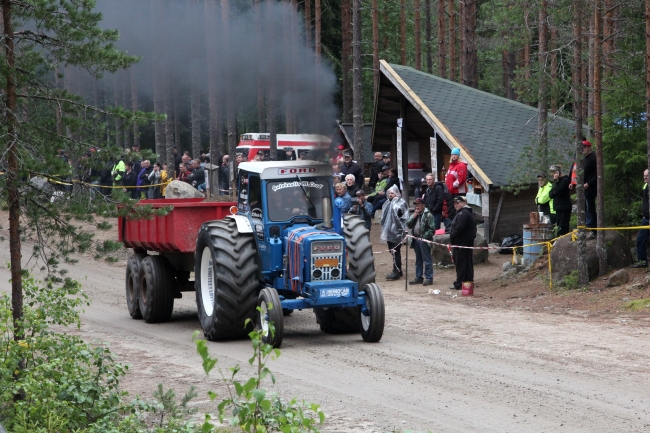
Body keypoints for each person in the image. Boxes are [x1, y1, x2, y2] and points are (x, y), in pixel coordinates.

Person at [380, 185, 409, 281]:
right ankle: (398, 269)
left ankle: (396, 271)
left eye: (392, 193)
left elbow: (402, 216)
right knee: (392, 251)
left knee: (395, 251)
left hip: (397, 232)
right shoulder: (388, 203)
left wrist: (401, 230)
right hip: (389, 231)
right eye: (389, 193)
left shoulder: (401, 203)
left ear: (396, 193)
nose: (390, 195)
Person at [449, 196, 476, 290]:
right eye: (455, 203)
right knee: (467, 263)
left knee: (461, 263)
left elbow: (458, 228)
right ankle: (467, 281)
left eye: (458, 202)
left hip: (462, 243)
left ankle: (459, 283)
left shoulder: (464, 213)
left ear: (464, 203)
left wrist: (452, 235)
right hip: (465, 242)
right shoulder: (465, 213)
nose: (456, 205)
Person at [407, 197, 435, 286]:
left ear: (423, 205)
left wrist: (424, 237)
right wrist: (413, 216)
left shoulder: (428, 215)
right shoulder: (415, 214)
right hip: (415, 239)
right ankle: (418, 277)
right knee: (418, 260)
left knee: (427, 259)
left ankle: (429, 278)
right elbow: (408, 224)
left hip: (424, 240)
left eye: (419, 205)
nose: (417, 207)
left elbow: (432, 229)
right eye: (415, 205)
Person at [631, 170, 650, 268]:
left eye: (647, 175)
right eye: (644, 176)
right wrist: (644, 215)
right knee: (640, 239)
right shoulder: (645, 186)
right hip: (646, 218)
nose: (645, 177)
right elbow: (645, 203)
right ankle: (642, 262)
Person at [445, 148, 468, 224]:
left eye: (455, 154)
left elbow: (461, 179)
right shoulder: (451, 165)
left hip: (458, 192)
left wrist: (452, 186)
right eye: (452, 154)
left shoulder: (461, 165)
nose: (453, 156)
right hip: (451, 191)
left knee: (459, 208)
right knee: (452, 209)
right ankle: (453, 224)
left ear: (458, 156)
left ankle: (459, 224)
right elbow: (447, 176)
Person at [548, 164, 571, 237]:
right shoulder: (557, 182)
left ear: (557, 172)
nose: (552, 174)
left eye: (553, 172)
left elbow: (557, 191)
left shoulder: (564, 180)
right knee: (559, 227)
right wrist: (555, 182)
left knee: (562, 227)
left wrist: (555, 181)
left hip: (564, 207)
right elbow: (551, 194)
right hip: (558, 208)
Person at [582, 140, 597, 238]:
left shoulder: (593, 157)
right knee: (585, 208)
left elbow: (597, 174)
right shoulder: (584, 159)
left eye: (584, 147)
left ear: (588, 147)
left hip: (591, 187)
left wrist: (588, 183)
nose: (582, 150)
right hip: (584, 187)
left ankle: (594, 230)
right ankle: (587, 225)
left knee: (591, 208)